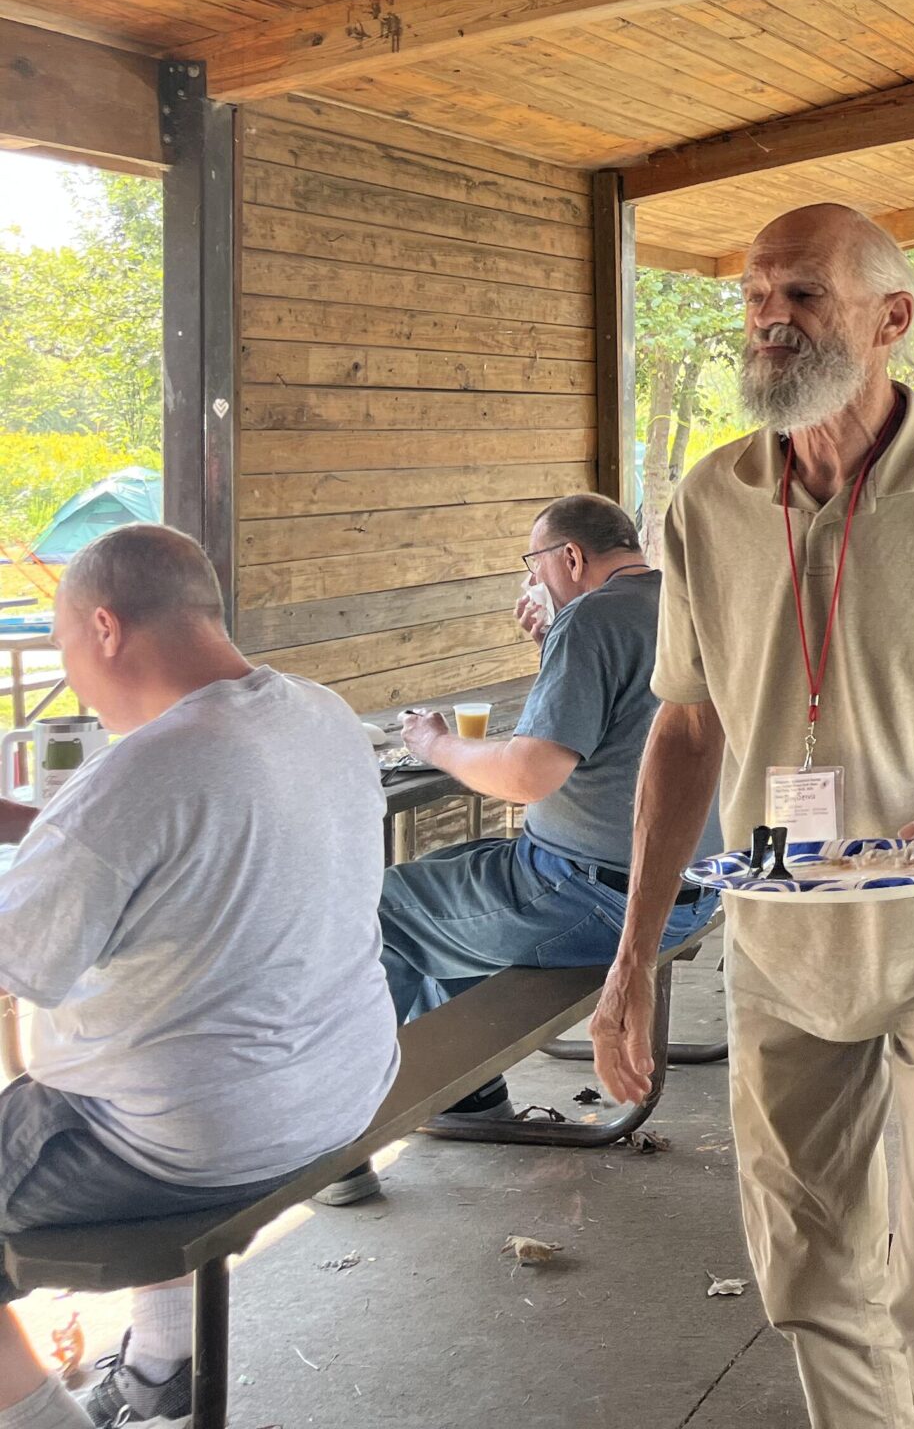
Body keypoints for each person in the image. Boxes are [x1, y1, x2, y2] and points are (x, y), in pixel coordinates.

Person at [590, 203, 914, 1428]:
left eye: (804, 294)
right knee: (808, 1269)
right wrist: (633, 960)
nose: (770, 319)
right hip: (782, 939)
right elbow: (686, 733)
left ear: (890, 320)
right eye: (756, 296)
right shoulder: (706, 500)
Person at [0, 525, 396, 1429]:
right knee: (169, 1045)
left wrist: (54, 836)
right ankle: (161, 1367)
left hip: (194, 1138)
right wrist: (38, 827)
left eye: (64, 643)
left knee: (133, 1083)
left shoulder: (137, 774)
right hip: (342, 1090)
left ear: (105, 628)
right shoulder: (322, 713)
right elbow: (184, 840)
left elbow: (20, 957)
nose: (72, 673)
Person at [318, 492, 723, 1205]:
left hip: (591, 896)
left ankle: (337, 1141)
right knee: (449, 877)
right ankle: (471, 1096)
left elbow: (531, 774)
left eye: (534, 563)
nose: (532, 579)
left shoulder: (592, 619)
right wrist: (551, 644)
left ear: (570, 556)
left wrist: (435, 743)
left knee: (380, 911)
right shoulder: (679, 604)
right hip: (687, 892)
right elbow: (623, 725)